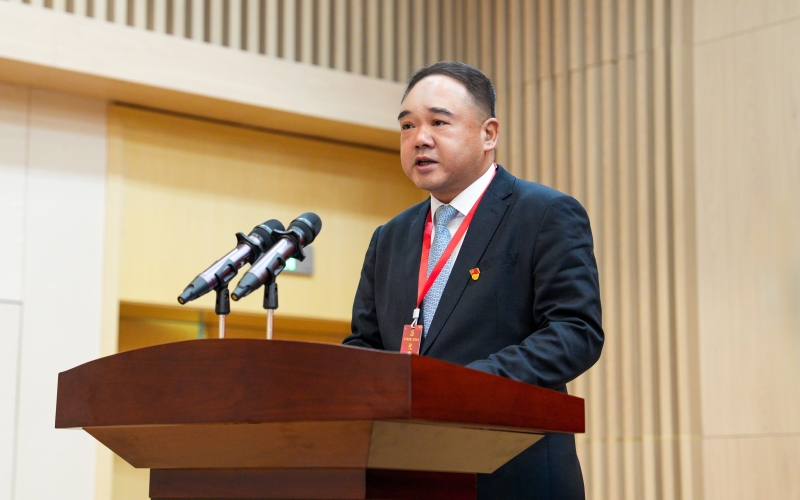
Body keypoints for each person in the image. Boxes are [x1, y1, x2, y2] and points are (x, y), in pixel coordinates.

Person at [343, 61, 603, 500]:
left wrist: (468, 385)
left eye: (438, 122)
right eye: (407, 126)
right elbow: (365, 344)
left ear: (489, 134)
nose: (419, 138)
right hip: (408, 473)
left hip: (512, 474)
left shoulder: (543, 213)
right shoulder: (389, 237)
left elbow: (575, 332)